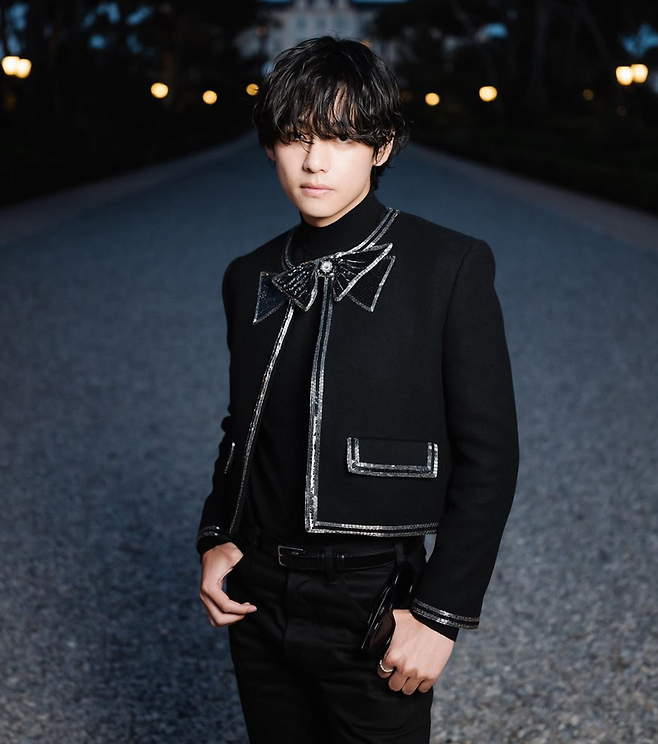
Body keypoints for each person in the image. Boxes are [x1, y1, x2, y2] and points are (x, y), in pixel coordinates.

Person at [197, 36, 519, 744]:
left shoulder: (449, 265)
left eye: (341, 137)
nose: (314, 161)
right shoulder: (248, 275)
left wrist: (439, 614)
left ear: (383, 145)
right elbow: (241, 428)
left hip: (375, 597)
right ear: (270, 146)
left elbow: (490, 456)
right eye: (295, 136)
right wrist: (216, 537)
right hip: (258, 594)